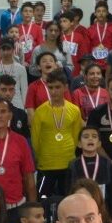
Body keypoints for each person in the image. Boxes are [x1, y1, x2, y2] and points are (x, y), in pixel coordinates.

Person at [30, 70, 83, 198]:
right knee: (43, 200)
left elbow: (76, 136)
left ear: (65, 87)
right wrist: (41, 158)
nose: (54, 91)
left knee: (68, 199)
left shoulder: (74, 110)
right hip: (46, 164)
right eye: (51, 88)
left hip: (68, 163)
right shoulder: (40, 111)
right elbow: (35, 139)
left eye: (57, 87)